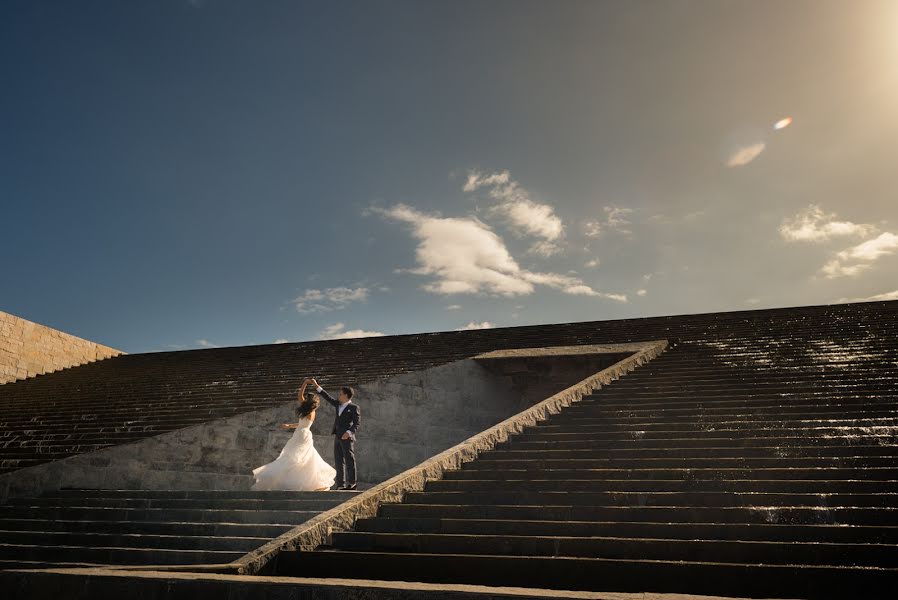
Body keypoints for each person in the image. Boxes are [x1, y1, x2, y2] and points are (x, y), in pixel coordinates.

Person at [250, 378, 336, 491]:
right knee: (305, 457)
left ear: (307, 401)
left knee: (293, 457)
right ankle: (316, 482)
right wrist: (289, 425)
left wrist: (305, 383)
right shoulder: (312, 412)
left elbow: (300, 394)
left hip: (300, 434)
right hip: (305, 434)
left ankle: (310, 481)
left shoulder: (306, 410)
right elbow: (303, 424)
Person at [309, 377, 360, 490]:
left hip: (346, 437)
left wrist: (349, 432)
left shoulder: (354, 408)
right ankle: (340, 485)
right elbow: (327, 397)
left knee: (349, 459)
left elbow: (356, 423)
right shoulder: (338, 404)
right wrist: (317, 386)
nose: (339, 395)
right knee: (338, 461)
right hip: (337, 436)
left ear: (346, 395)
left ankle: (352, 483)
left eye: (341, 394)